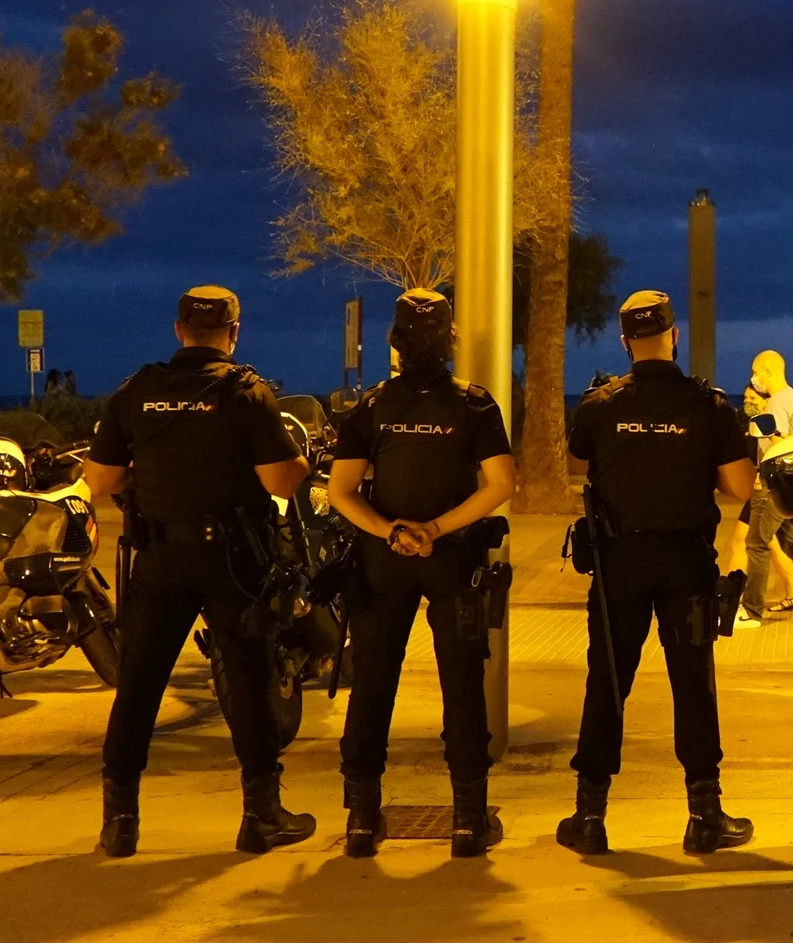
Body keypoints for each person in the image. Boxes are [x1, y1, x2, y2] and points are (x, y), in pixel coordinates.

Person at [83, 286, 315, 857]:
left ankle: (120, 821)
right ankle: (261, 816)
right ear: (233, 333)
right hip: (232, 562)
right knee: (250, 680)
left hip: (159, 559)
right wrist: (304, 462)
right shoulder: (246, 393)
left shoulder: (137, 391)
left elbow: (101, 480)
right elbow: (281, 483)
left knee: (138, 687)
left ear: (179, 329)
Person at [559, 290, 758, 855]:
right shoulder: (708, 406)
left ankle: (590, 816)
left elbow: (576, 462)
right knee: (693, 685)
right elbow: (740, 487)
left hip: (617, 563)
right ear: (675, 336)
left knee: (608, 684)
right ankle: (704, 816)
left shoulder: (600, 405)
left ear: (624, 343)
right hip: (686, 565)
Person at [328, 289, 516, 858]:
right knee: (462, 688)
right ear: (450, 339)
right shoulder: (475, 405)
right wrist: (436, 530)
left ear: (395, 341)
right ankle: (467, 821)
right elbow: (502, 485)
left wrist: (391, 531)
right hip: (452, 561)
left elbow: (340, 492)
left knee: (373, 687)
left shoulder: (371, 406)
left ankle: (362, 820)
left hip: (383, 562)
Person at [736, 349, 793, 624]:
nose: (753, 378)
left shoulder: (777, 404)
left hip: (773, 486)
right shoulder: (791, 399)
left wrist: (765, 470)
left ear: (768, 371)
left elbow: (784, 443)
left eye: (755, 372)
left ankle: (751, 611)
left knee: (756, 543)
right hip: (788, 485)